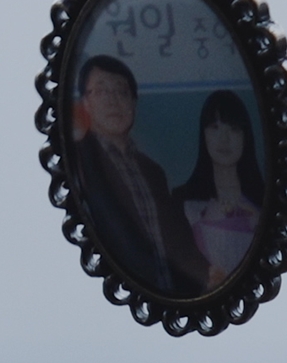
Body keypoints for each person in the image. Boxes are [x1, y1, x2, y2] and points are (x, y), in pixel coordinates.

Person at [71, 55, 210, 297]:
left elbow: (176, 243)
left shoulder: (152, 171)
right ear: (86, 103)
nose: (113, 100)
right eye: (101, 91)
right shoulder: (79, 161)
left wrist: (208, 278)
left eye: (121, 92)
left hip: (170, 293)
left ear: (134, 103)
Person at [171, 90, 265, 286]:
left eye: (234, 129)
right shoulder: (181, 201)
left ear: (246, 137)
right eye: (215, 127)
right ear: (203, 134)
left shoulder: (265, 200)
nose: (224, 139)